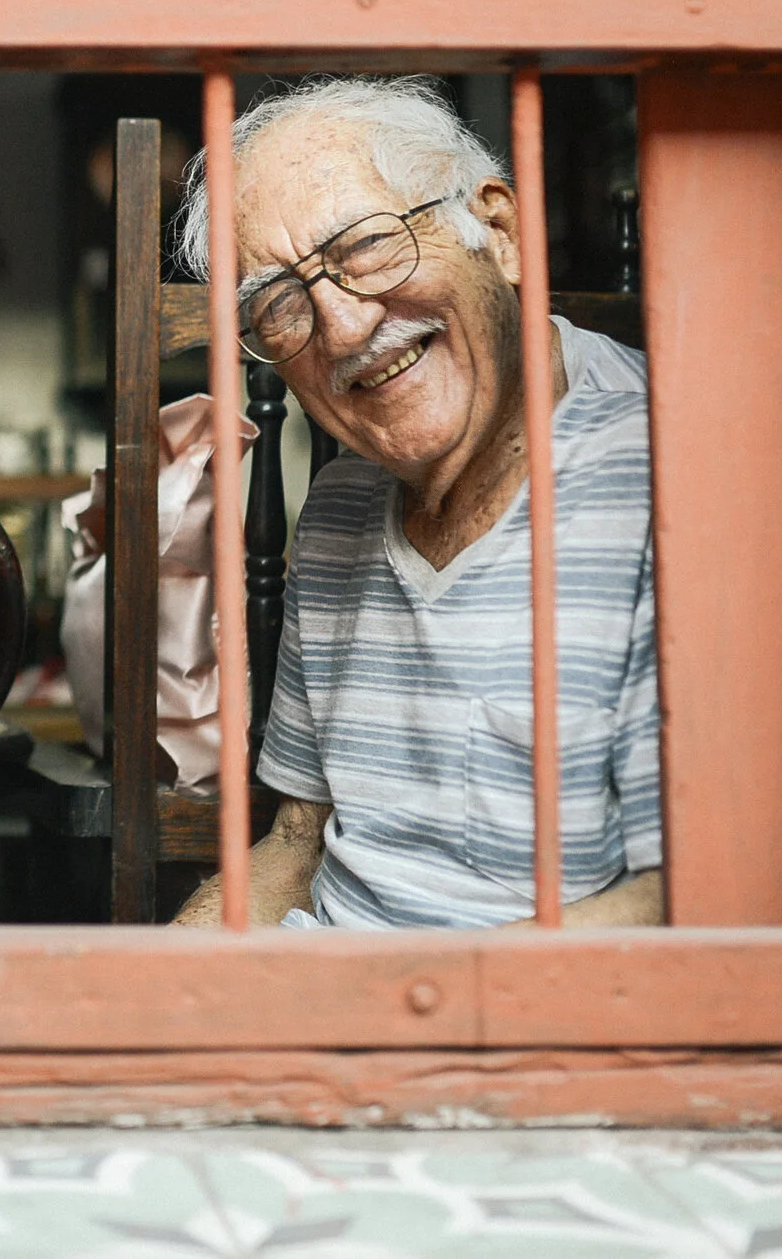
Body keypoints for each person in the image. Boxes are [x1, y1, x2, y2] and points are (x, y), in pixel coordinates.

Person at [171, 76, 664, 930]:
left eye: (366, 247)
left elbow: (682, 897)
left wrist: (395, 1022)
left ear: (501, 234)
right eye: (278, 302)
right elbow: (297, 842)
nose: (345, 327)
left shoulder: (672, 475)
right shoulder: (337, 510)